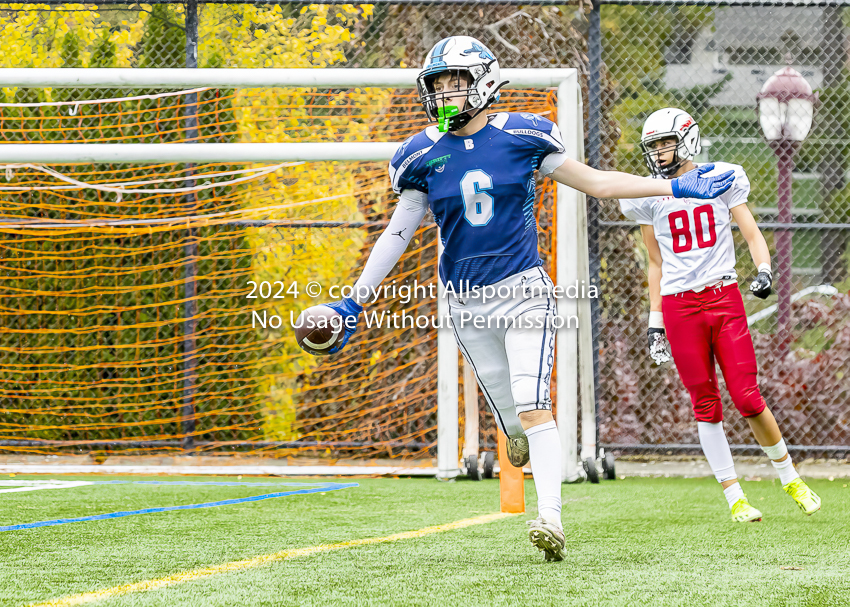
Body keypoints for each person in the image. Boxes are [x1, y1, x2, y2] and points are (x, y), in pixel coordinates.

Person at [321, 37, 735, 561]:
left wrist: (677, 189)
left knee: (534, 403)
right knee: (512, 415)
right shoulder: (419, 154)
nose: (446, 93)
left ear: (485, 82)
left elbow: (599, 184)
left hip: (524, 292)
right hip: (464, 302)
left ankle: (551, 519)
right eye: (438, 84)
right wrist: (353, 301)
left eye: (457, 82)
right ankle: (515, 435)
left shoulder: (523, 135)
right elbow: (397, 234)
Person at [620, 107, 821, 522]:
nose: (658, 152)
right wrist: (655, 324)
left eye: (665, 142)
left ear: (688, 139)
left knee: (748, 397)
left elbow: (750, 231)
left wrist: (764, 269)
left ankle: (790, 477)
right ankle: (735, 498)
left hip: (723, 297)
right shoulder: (646, 193)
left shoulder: (721, 176)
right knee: (705, 403)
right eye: (653, 145)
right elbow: (655, 264)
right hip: (678, 306)